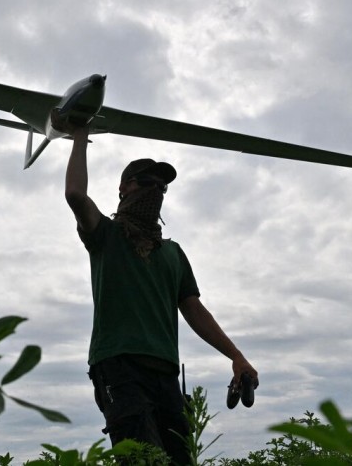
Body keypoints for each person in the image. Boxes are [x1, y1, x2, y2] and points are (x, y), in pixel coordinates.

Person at [64, 126, 259, 465]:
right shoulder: (106, 237)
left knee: (180, 459)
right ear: (124, 188)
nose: (155, 190)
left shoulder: (173, 253)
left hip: (165, 375)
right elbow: (76, 196)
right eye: (146, 182)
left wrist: (236, 356)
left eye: (162, 186)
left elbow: (195, 310)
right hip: (119, 367)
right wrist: (80, 133)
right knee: (143, 459)